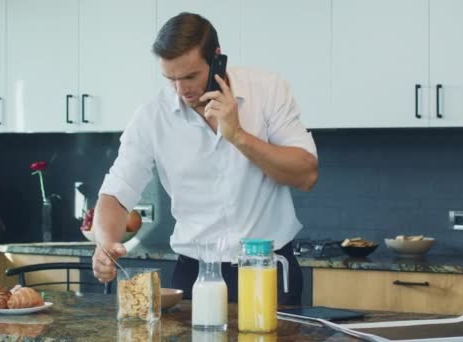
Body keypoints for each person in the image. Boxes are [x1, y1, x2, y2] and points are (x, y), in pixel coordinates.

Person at [91, 12, 318, 305]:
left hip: (266, 271)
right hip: (195, 276)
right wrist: (105, 242)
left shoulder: (268, 91)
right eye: (170, 78)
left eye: (190, 76)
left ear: (217, 58)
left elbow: (306, 174)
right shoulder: (151, 117)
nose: (181, 90)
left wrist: (237, 135)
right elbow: (117, 191)